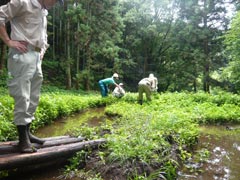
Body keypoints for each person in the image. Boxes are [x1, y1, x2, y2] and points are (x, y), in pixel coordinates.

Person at [0, 0, 64, 153]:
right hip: (22, 53)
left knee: (33, 96)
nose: (55, 4)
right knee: (22, 95)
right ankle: (23, 140)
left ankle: (27, 134)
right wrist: (8, 41)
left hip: (36, 56)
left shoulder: (43, 11)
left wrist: (42, 50)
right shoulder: (23, 2)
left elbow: (43, 34)